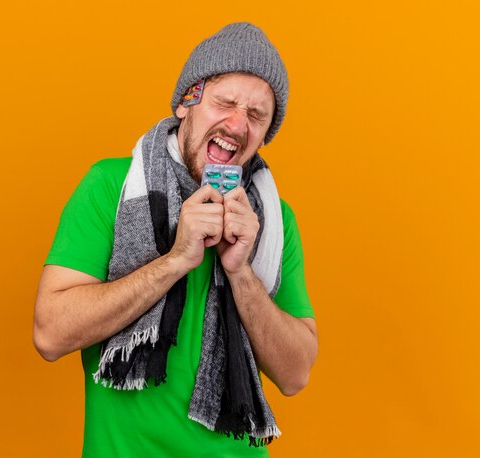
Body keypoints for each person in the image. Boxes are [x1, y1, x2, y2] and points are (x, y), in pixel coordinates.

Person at [33, 22, 318, 457]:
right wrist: (175, 260)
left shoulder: (274, 223)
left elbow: (296, 375)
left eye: (257, 116)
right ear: (188, 102)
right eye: (226, 102)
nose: (238, 124)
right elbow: (50, 334)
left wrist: (240, 271)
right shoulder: (112, 186)